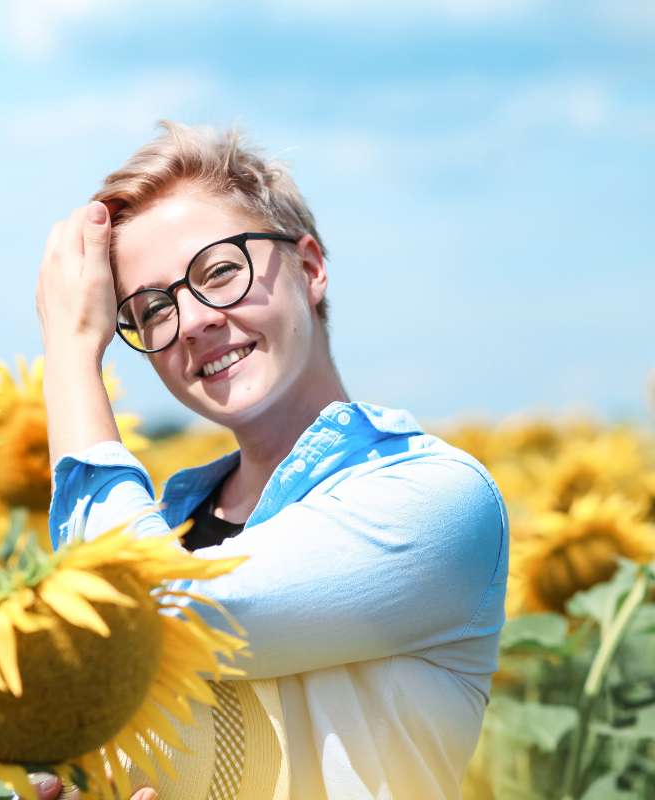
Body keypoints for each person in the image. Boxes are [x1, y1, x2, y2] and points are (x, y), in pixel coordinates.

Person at [33, 121, 509, 800]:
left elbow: (160, 619)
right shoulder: (161, 526)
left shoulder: (435, 498)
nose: (194, 319)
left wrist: (72, 357)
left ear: (310, 268)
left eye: (220, 271)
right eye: (152, 307)